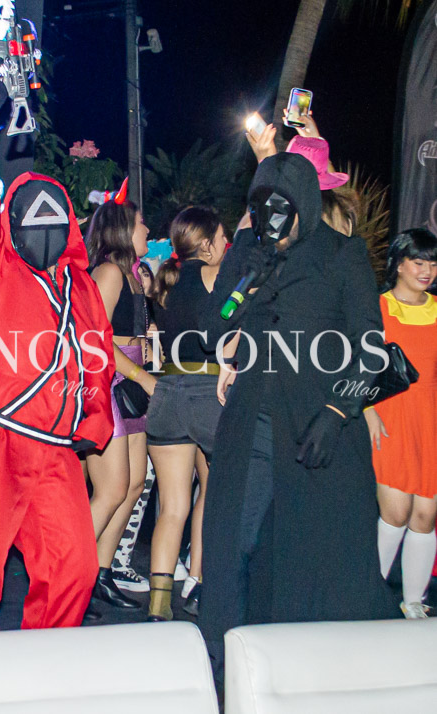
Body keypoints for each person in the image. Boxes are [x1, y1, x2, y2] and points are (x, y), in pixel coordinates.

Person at [199, 152, 398, 680]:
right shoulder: (247, 251)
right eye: (260, 209)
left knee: (318, 551)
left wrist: (337, 411)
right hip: (255, 423)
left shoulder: (342, 254)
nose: (271, 222)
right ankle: (225, 667)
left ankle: (321, 673)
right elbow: (213, 328)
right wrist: (246, 286)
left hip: (321, 425)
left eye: (281, 210)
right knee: (234, 543)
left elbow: (371, 346)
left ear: (305, 206)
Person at [0, 78, 115, 633]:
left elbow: (97, 359)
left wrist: (94, 418)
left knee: (74, 569)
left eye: (54, 221)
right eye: (31, 221)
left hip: (54, 449)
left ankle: (43, 668)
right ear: (12, 228)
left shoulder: (81, 286)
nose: (44, 229)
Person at [144, 206, 230, 621]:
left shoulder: (165, 281)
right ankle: (199, 584)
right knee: (217, 497)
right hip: (208, 392)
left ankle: (158, 607)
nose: (228, 244)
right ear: (208, 244)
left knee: (172, 507)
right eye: (224, 238)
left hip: (166, 395)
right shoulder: (215, 276)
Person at [83, 191, 157, 612]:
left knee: (133, 485)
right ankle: (72, 575)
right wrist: (142, 376)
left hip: (132, 383)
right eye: (141, 222)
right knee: (111, 489)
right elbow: (95, 340)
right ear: (123, 230)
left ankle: (100, 572)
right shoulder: (109, 272)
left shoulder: (133, 274)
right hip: (111, 383)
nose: (147, 229)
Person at [365, 228, 437, 619]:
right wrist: (367, 411)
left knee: (425, 516)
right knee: (395, 512)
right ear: (399, 264)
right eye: (418, 261)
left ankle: (414, 603)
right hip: (389, 416)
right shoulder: (377, 307)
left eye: (433, 263)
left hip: (430, 420)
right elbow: (353, 363)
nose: (427, 270)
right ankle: (369, 596)